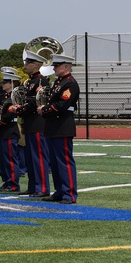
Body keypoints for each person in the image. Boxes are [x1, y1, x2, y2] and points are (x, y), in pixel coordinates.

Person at [10, 50, 52, 198]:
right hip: (30, 123)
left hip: (37, 123)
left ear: (37, 65)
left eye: (28, 63)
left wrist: (21, 108)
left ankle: (43, 187)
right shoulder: (30, 82)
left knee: (38, 157)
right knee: (30, 157)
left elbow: (35, 102)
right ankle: (33, 186)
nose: (26, 65)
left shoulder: (41, 81)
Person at [39, 54, 80, 204]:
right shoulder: (59, 82)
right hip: (53, 125)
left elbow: (62, 105)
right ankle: (60, 190)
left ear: (66, 67)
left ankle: (69, 193)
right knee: (54, 162)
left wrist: (45, 109)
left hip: (62, 126)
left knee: (64, 161)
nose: (54, 68)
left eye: (57, 66)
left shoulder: (70, 84)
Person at [0, 69, 23, 192]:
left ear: (11, 83)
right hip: (3, 130)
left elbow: (8, 115)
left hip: (9, 129)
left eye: (5, 82)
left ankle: (13, 184)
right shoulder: (4, 96)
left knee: (10, 159)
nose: (2, 84)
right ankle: (7, 181)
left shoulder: (13, 97)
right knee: (4, 159)